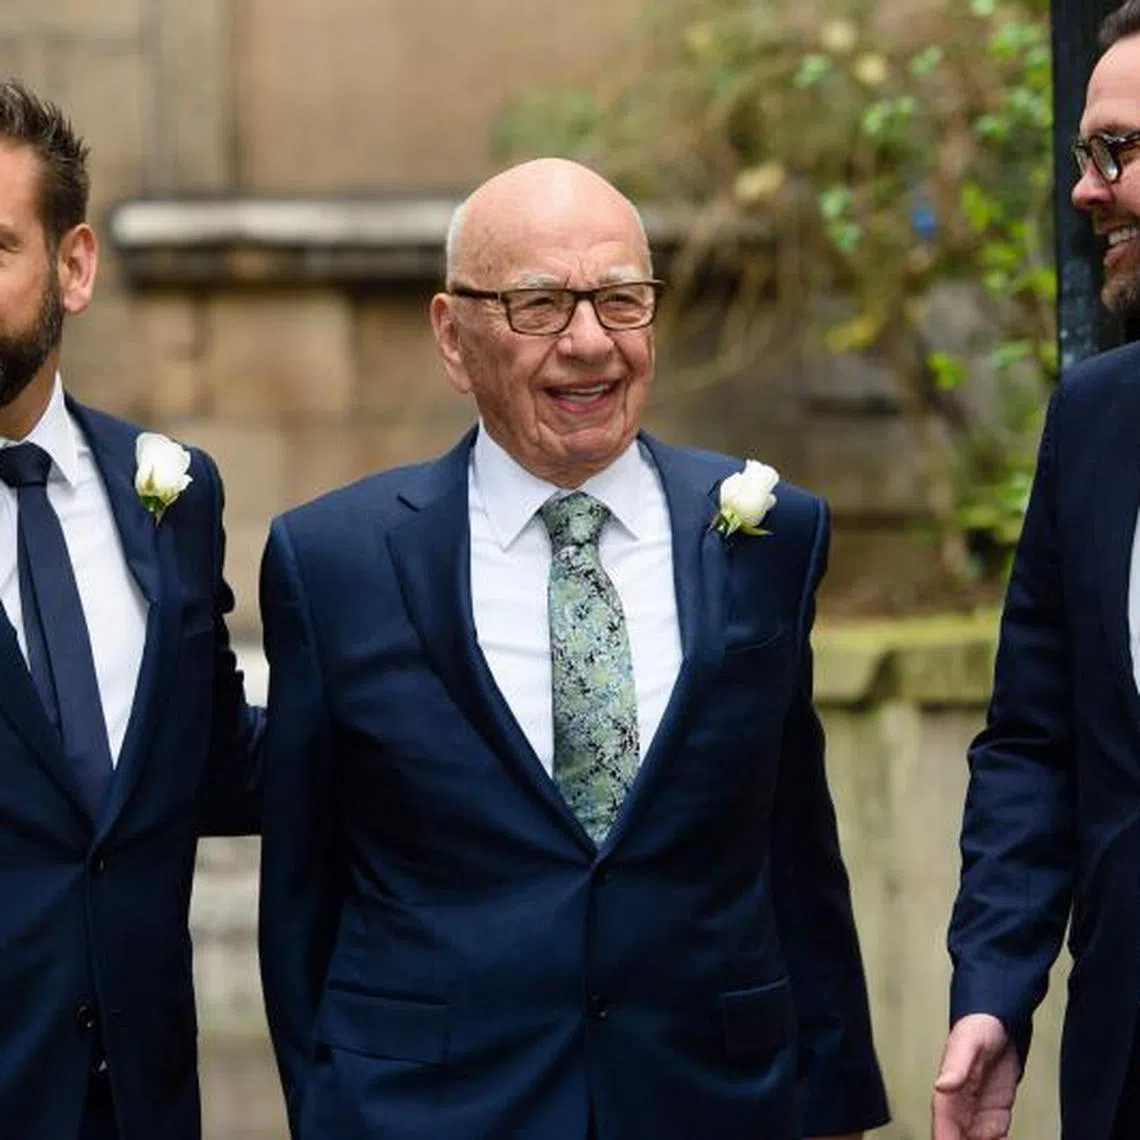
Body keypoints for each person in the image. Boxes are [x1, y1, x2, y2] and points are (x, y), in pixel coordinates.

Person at [258, 156, 888, 1140]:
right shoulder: (332, 561)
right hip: (426, 1112)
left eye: (622, 300)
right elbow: (301, 890)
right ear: (452, 336)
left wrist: (835, 1102)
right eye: (541, 305)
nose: (590, 343)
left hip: (712, 1104)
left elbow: (794, 849)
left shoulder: (770, 535)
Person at [0, 80, 262, 1140]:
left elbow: (213, 763)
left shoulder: (174, 494)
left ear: (75, 268)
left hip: (141, 1101)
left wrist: (421, 718)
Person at [933, 4, 1140, 1138]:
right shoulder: (1095, 419)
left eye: (1121, 150)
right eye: (1083, 155)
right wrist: (995, 992)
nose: (1087, 189)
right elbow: (1036, 741)